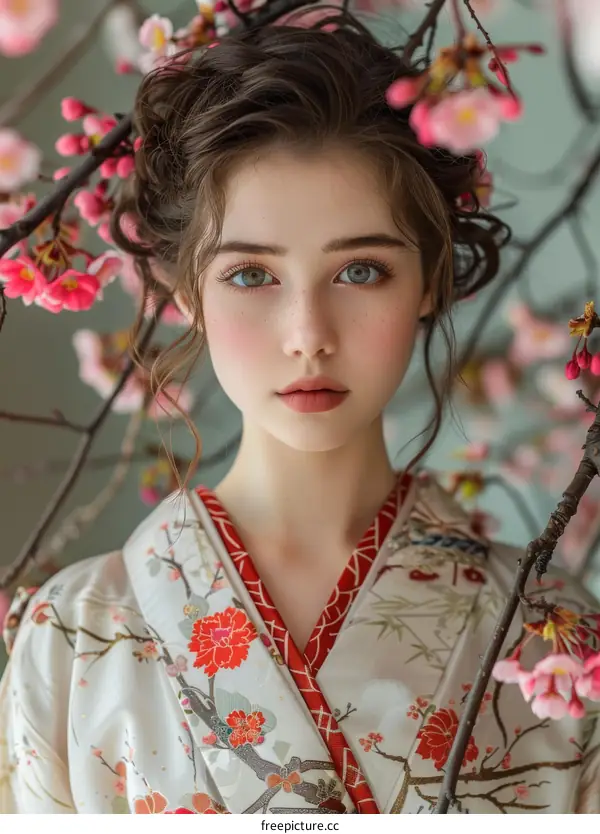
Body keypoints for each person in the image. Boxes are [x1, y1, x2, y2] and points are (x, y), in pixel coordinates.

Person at [1, 6, 598, 815]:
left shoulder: (554, 643)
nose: (309, 335)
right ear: (187, 293)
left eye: (361, 271)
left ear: (428, 281)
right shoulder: (72, 636)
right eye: (251, 275)